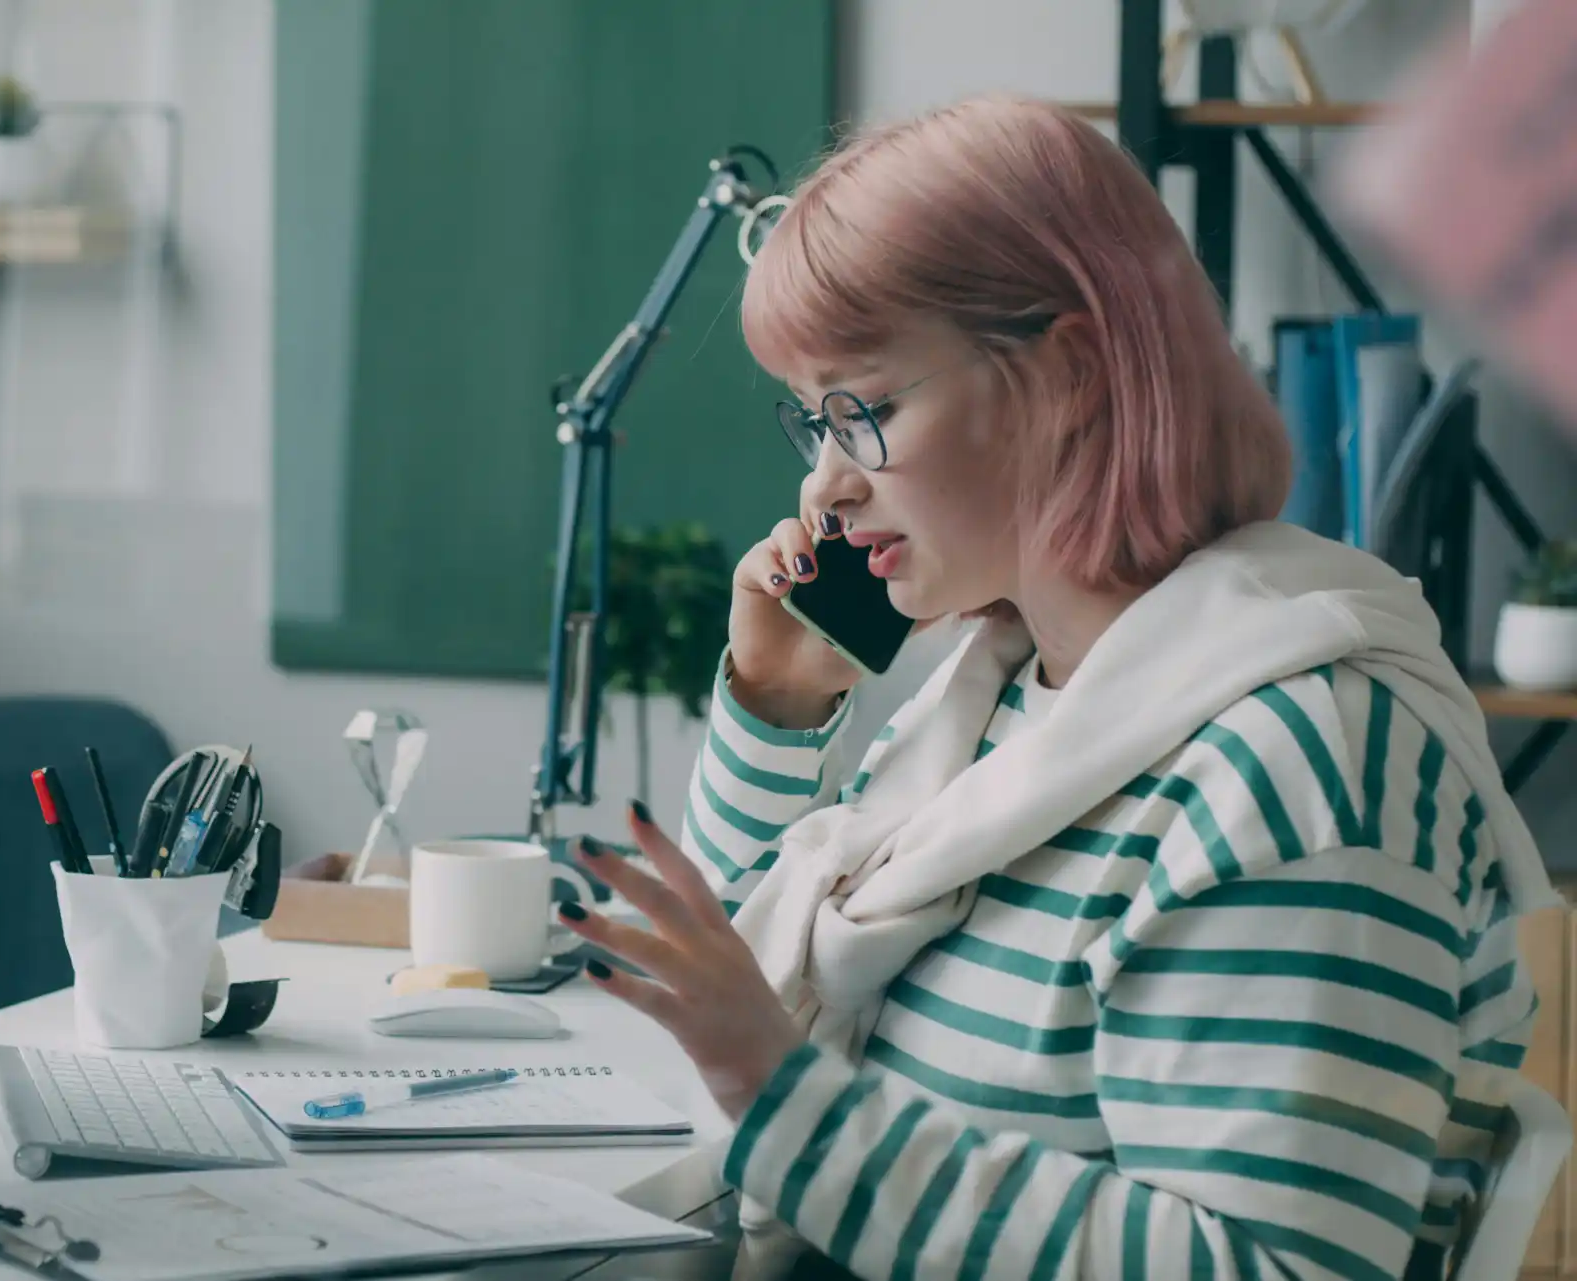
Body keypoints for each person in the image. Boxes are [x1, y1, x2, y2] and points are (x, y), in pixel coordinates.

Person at [557, 96, 1556, 1281]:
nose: (826, 488)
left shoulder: (1298, 763)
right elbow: (767, 982)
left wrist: (785, 1102)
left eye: (865, 411)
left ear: (1070, 372)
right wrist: (778, 709)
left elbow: (1271, 1268)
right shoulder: (1004, 698)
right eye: (814, 423)